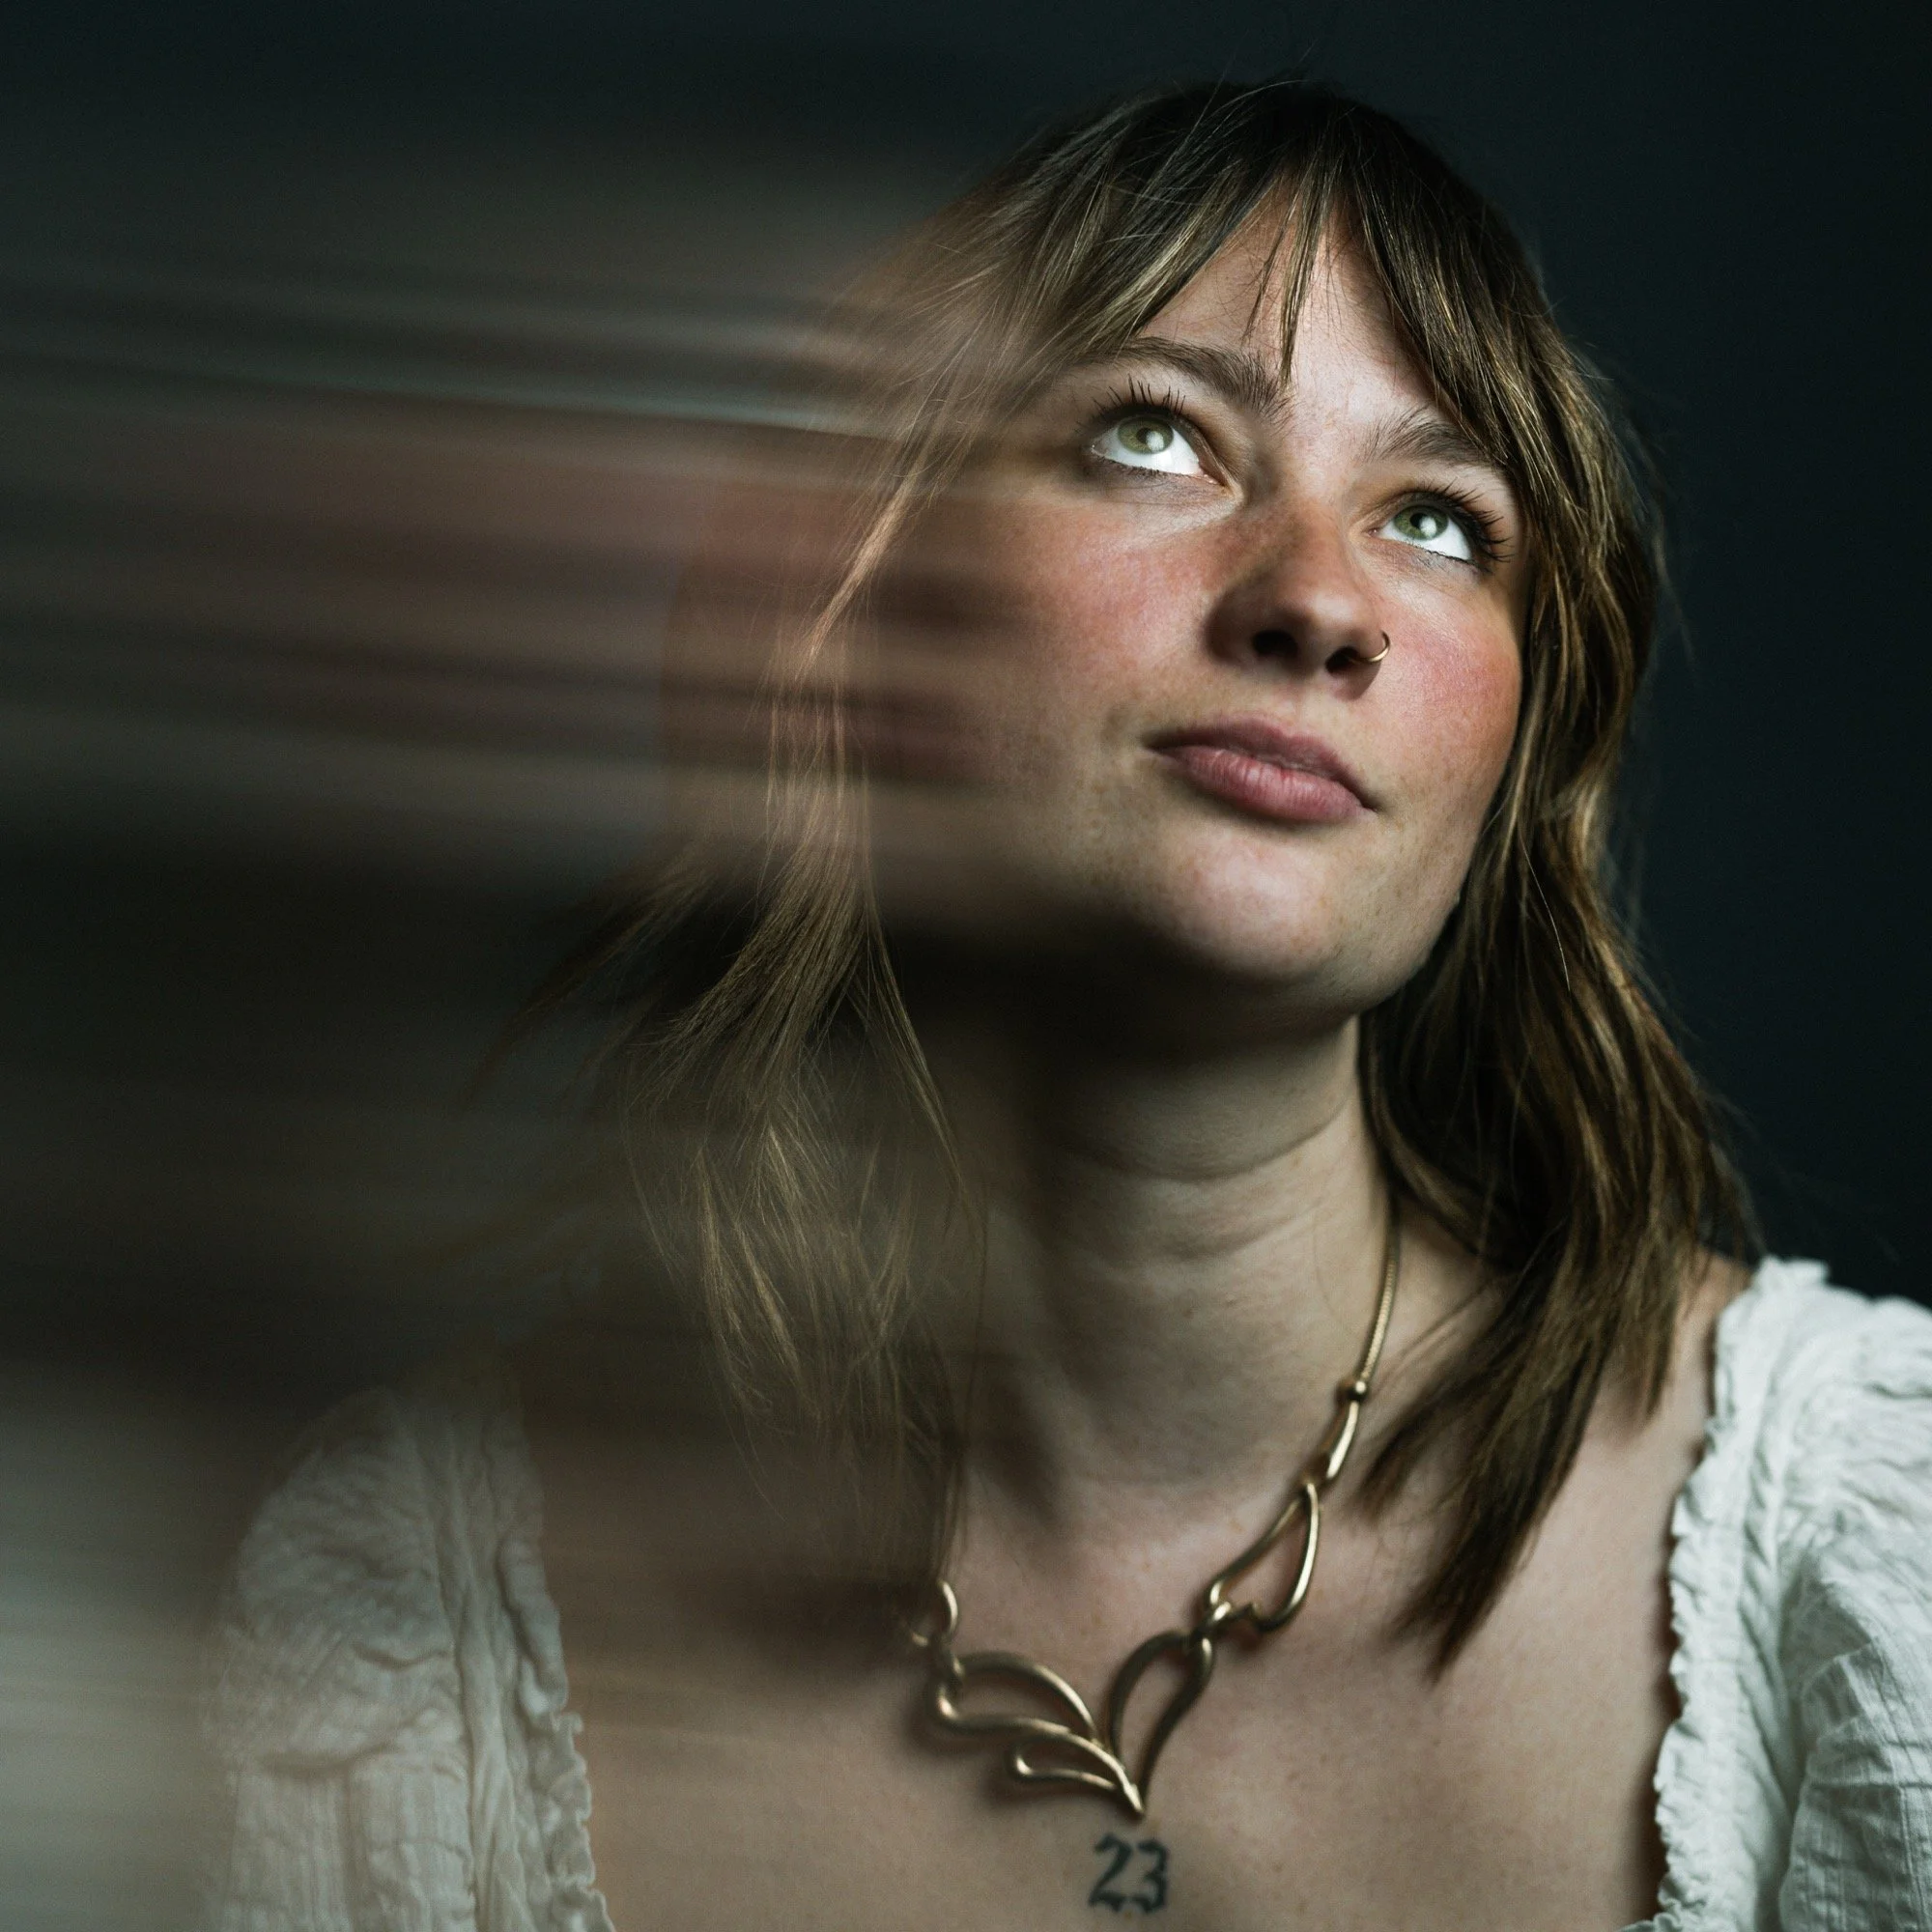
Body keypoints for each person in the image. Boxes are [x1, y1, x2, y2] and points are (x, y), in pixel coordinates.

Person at [200, 82, 1932, 1931]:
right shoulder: (403, 1621)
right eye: (1154, 436)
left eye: (1438, 520)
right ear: (870, 596)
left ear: (1516, 748)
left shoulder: (1866, 1545)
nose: (1317, 601)